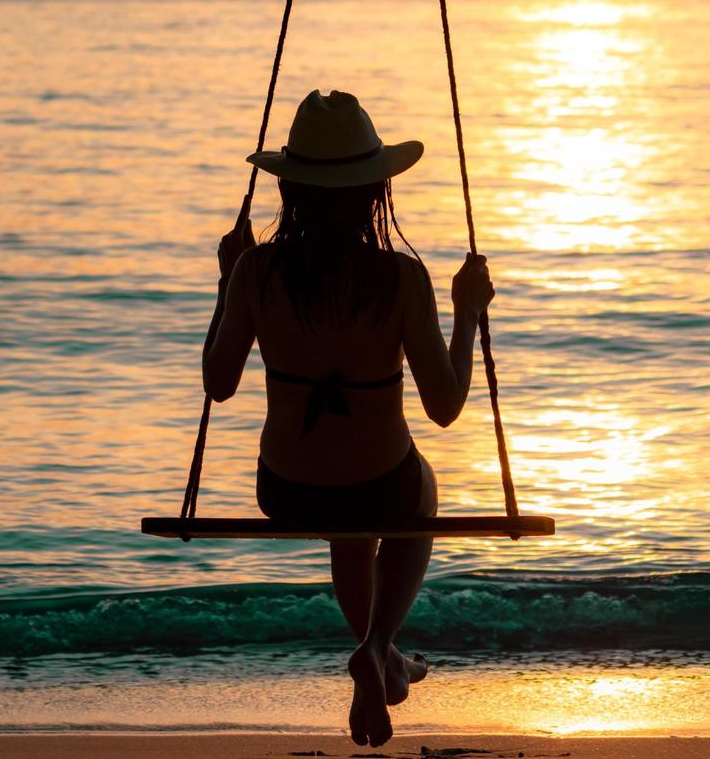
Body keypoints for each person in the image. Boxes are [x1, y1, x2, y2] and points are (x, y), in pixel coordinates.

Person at [201, 89, 494, 747]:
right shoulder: (400, 278)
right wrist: (467, 311)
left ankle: (384, 660)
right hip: (381, 484)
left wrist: (226, 284)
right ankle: (379, 645)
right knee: (414, 494)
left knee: (347, 523)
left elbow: (217, 386)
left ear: (292, 191)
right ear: (372, 193)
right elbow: (444, 408)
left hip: (285, 491)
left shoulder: (255, 270)